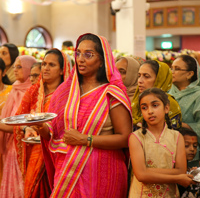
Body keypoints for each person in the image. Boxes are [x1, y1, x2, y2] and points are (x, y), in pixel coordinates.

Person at [32, 33, 132, 197]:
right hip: (66, 170)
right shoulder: (64, 92)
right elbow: (53, 133)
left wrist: (86, 140)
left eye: (88, 55)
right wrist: (40, 126)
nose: (80, 59)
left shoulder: (112, 93)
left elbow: (125, 137)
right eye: (78, 53)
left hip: (103, 173)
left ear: (102, 61)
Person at [14, 49, 71, 198]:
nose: (45, 68)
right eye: (44, 64)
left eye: (51, 65)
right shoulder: (33, 92)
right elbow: (18, 118)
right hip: (36, 150)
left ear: (61, 70)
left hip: (60, 153)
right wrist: (27, 128)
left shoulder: (69, 95)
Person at [129, 87, 194, 197]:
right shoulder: (136, 137)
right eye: (144, 108)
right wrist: (176, 178)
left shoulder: (176, 137)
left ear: (166, 108)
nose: (150, 111)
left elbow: (181, 171)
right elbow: (141, 175)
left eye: (155, 105)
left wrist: (148, 171)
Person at [0, 55, 37, 197]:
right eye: (14, 66)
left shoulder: (33, 91)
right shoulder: (15, 89)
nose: (15, 70)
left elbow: (27, 122)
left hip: (26, 146)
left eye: (19, 67)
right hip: (11, 146)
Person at [132, 60, 182, 130]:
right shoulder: (136, 101)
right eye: (139, 76)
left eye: (146, 76)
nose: (140, 80)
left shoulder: (170, 103)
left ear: (159, 79)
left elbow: (173, 136)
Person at [169, 55, 200, 135]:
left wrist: (179, 125)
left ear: (189, 74)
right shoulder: (167, 92)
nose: (172, 71)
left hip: (190, 144)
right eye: (171, 68)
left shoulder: (198, 95)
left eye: (177, 69)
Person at [178, 127, 200, 197]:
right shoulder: (171, 170)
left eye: (195, 146)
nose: (192, 149)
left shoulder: (190, 169)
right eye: (186, 145)